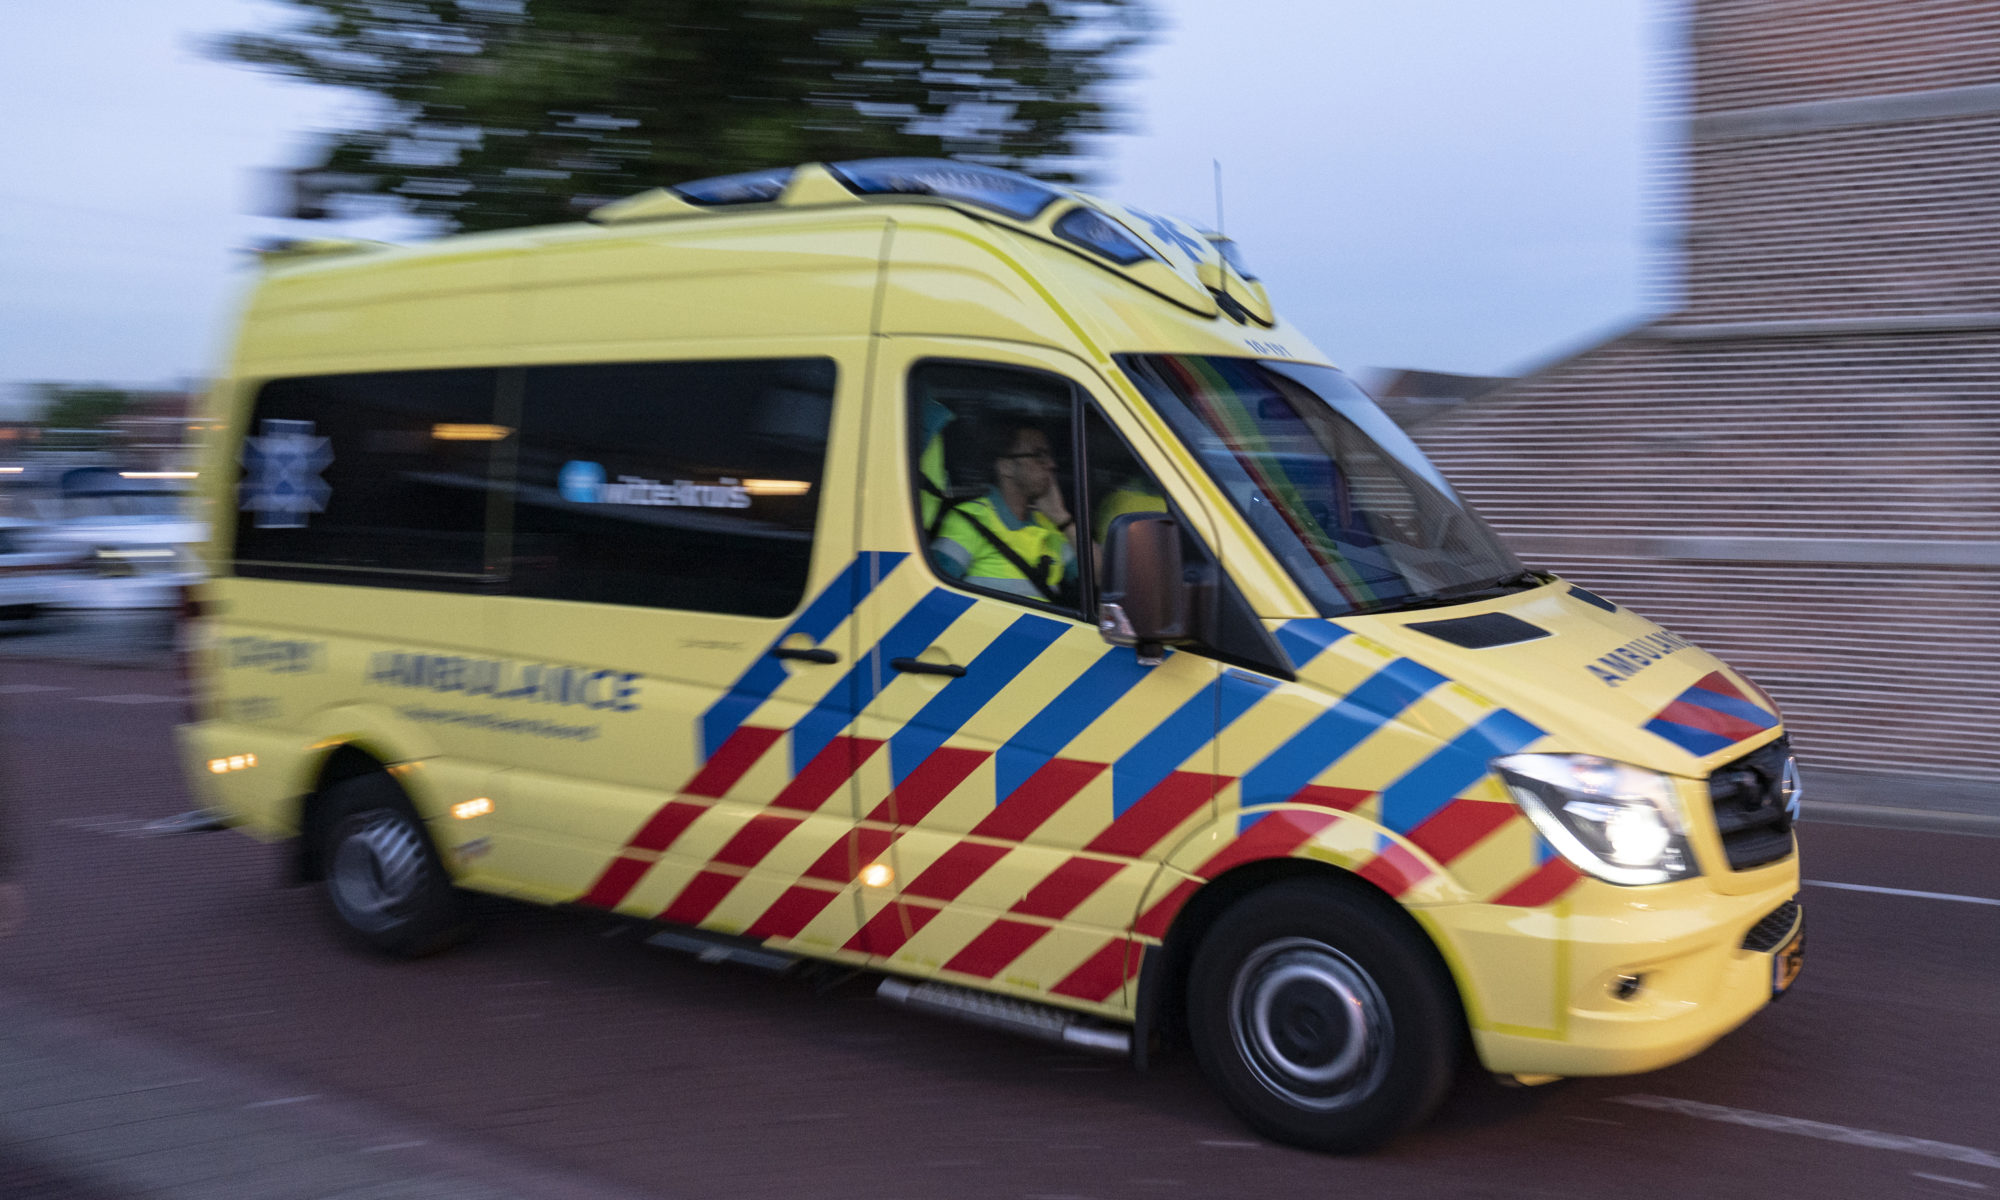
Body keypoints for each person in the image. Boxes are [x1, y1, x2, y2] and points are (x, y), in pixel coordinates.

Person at [929, 420, 1076, 602]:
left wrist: (1062, 517)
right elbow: (932, 598)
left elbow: (1101, 578)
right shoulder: (970, 520)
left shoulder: (1050, 525)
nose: (1052, 464)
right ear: (1006, 466)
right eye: (1039, 455)